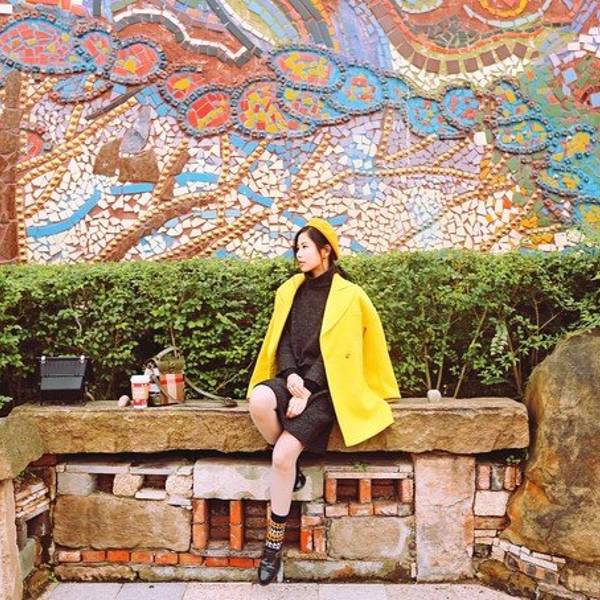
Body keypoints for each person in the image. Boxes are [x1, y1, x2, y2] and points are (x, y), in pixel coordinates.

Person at [246, 217, 401, 586]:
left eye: (305, 247)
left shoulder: (350, 296)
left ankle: (272, 547)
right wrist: (291, 378)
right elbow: (283, 341)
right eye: (296, 248)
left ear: (325, 250)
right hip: (294, 380)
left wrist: (308, 390)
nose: (298, 254)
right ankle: (292, 464)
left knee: (281, 457)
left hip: (329, 389)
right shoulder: (291, 291)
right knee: (259, 400)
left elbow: (342, 353)